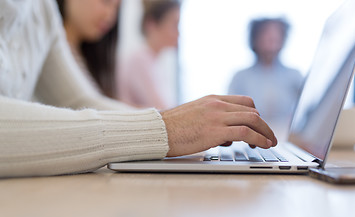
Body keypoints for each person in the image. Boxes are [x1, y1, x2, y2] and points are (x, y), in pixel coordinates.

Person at [0, 0, 277, 178]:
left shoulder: (41, 8)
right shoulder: (138, 60)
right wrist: (164, 128)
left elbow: (80, 100)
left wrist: (183, 123)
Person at [228, 18, 304, 140]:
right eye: (266, 34)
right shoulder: (240, 77)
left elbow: (305, 112)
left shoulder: (294, 76)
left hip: (287, 137)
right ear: (254, 38)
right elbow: (231, 113)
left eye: (276, 34)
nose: (271, 38)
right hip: (248, 137)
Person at [117, 0, 180, 110]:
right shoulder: (139, 60)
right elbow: (163, 111)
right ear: (151, 24)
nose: (178, 33)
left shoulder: (154, 62)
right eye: (174, 24)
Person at [56, 0, 119, 99]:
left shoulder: (86, 59)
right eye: (106, 1)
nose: (110, 15)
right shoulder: (50, 53)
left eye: (116, 7)